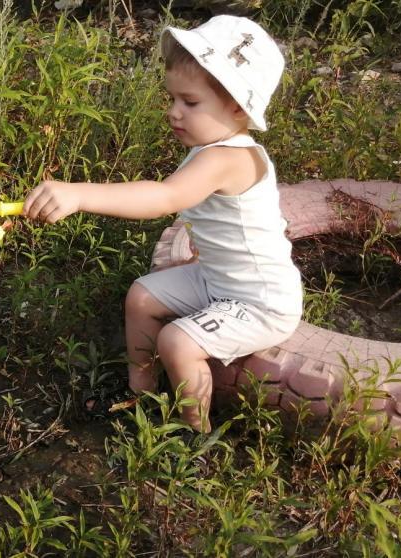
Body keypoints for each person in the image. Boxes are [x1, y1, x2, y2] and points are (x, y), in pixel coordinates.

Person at [22, 15, 302, 433]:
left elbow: (164, 197)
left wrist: (80, 194)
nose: (174, 113)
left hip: (261, 301)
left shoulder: (228, 158)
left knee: (178, 341)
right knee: (141, 297)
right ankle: (141, 391)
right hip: (216, 279)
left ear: (239, 107)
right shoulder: (212, 146)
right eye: (172, 99)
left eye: (189, 103)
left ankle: (195, 433)